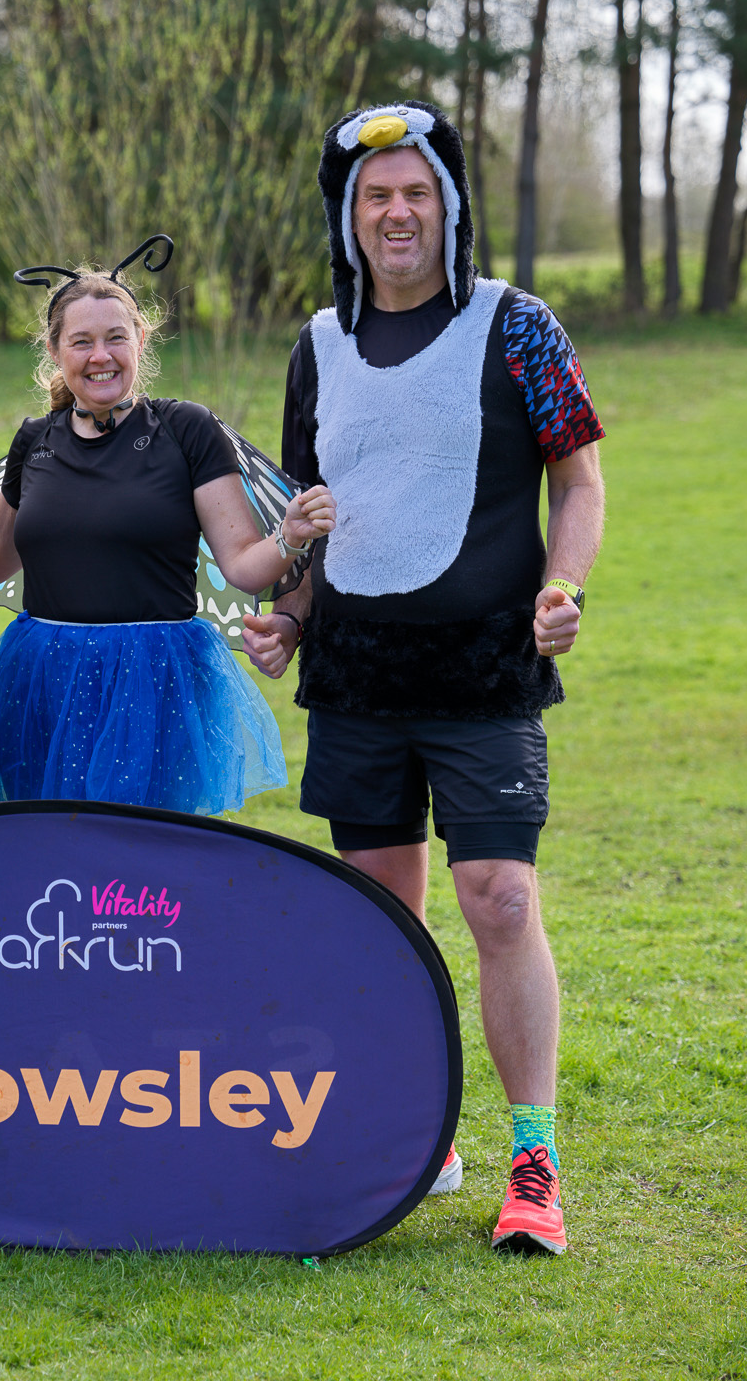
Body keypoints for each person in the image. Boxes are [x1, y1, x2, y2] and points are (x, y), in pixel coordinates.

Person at [242, 102, 606, 1256]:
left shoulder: (519, 326)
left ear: (447, 204)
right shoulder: (316, 343)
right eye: (371, 198)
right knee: (381, 921)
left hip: (486, 673)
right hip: (354, 679)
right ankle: (419, 1134)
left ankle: (532, 1161)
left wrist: (562, 590)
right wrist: (288, 614)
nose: (394, 214)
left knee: (498, 898)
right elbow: (316, 515)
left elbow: (580, 483)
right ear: (346, 220)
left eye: (413, 193)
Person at [0, 238, 336, 816]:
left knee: (141, 869)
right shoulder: (33, 441)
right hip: (41, 678)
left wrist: (288, 535)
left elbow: (242, 564)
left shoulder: (185, 430)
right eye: (81, 341)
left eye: (115, 337)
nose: (100, 355)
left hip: (153, 680)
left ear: (140, 340)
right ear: (54, 350)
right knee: (49, 855)